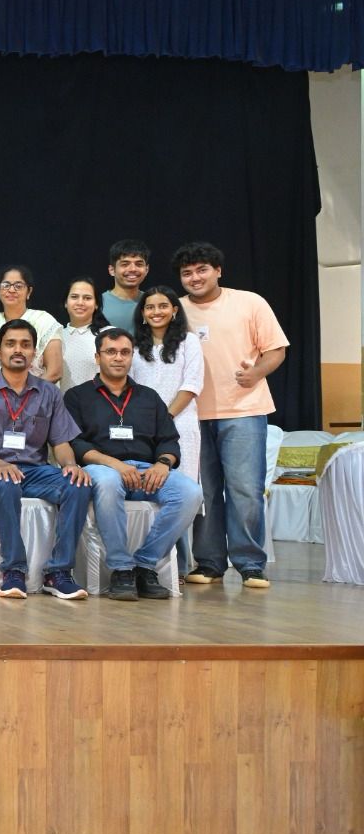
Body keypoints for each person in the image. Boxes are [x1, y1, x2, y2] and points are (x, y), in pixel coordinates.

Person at [173, 241, 288, 590]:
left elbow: (276, 350)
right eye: (187, 273)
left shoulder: (250, 302)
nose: (195, 278)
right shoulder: (175, 310)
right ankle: (209, 563)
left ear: (218, 271)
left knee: (245, 490)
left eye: (202, 270)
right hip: (192, 415)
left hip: (244, 410)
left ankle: (251, 564)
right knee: (204, 493)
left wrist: (257, 373)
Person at [65, 328, 202, 601]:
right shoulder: (77, 396)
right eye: (111, 352)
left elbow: (168, 440)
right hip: (102, 468)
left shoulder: (149, 397)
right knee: (107, 482)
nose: (118, 358)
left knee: (191, 493)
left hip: (146, 471)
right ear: (97, 357)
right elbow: (75, 443)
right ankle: (121, 569)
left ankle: (144, 565)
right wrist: (115, 465)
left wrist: (163, 464)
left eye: (125, 352)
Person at [0, 319, 92, 600]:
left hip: (36, 471)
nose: (18, 350)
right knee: (6, 483)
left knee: (79, 484)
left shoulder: (49, 392)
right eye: (10, 344)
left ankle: (58, 573)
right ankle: (13, 570)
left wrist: (71, 466)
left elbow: (60, 443)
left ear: (34, 353)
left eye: (25, 345)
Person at [131, 285, 203, 481]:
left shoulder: (189, 341)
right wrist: (147, 422)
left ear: (174, 310)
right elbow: (130, 386)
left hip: (180, 421)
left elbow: (192, 384)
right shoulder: (134, 346)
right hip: (144, 426)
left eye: (163, 306)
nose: (156, 312)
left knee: (183, 485)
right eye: (150, 307)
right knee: (146, 483)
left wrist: (165, 418)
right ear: (143, 313)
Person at [0, 265, 64, 382]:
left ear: (29, 292)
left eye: (18, 286)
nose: (11, 290)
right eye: (6, 285)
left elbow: (55, 372)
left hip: (38, 391)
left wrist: (30, 392)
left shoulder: (44, 320)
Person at [57, 277, 110, 393]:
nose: (80, 303)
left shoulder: (109, 335)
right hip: (62, 403)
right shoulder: (56, 336)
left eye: (87, 298)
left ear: (96, 304)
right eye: (74, 297)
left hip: (100, 402)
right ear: (66, 302)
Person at [103, 239, 151, 336]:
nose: (132, 269)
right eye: (125, 264)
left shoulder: (152, 302)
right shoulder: (98, 303)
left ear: (146, 269)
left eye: (139, 264)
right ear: (112, 270)